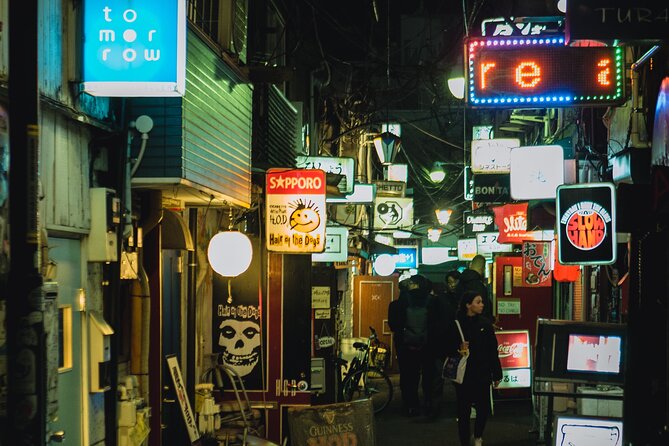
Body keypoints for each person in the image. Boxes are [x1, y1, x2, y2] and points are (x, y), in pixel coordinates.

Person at [445, 291, 503, 446]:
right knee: (463, 410)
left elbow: (492, 350)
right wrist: (458, 348)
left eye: (482, 301)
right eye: (478, 302)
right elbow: (443, 346)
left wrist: (497, 374)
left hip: (482, 372)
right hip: (463, 373)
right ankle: (464, 441)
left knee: (483, 408)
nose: (482, 305)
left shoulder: (485, 325)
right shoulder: (456, 324)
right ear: (468, 305)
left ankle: (478, 435)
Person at [387, 274, 438, 417]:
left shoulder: (398, 303)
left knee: (408, 376)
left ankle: (411, 405)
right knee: (428, 375)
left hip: (406, 346)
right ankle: (428, 403)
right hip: (428, 346)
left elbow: (393, 325)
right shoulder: (433, 302)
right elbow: (438, 324)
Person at [428, 269, 461, 419]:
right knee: (453, 379)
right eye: (450, 282)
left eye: (454, 281)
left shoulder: (442, 299)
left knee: (441, 379)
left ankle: (436, 411)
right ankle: (440, 410)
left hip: (446, 344)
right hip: (448, 344)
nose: (452, 285)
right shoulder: (457, 299)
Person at [456, 255, 495, 324]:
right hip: (477, 323)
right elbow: (484, 309)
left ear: (471, 265)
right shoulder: (479, 286)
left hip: (462, 322)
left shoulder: (460, 283)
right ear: (483, 268)